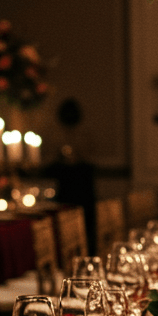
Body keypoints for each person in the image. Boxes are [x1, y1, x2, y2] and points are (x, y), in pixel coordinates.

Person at [45, 97, 96, 250]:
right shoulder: (55, 136)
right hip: (65, 188)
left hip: (83, 187)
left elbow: (90, 159)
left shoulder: (85, 135)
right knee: (64, 225)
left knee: (86, 226)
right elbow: (50, 161)